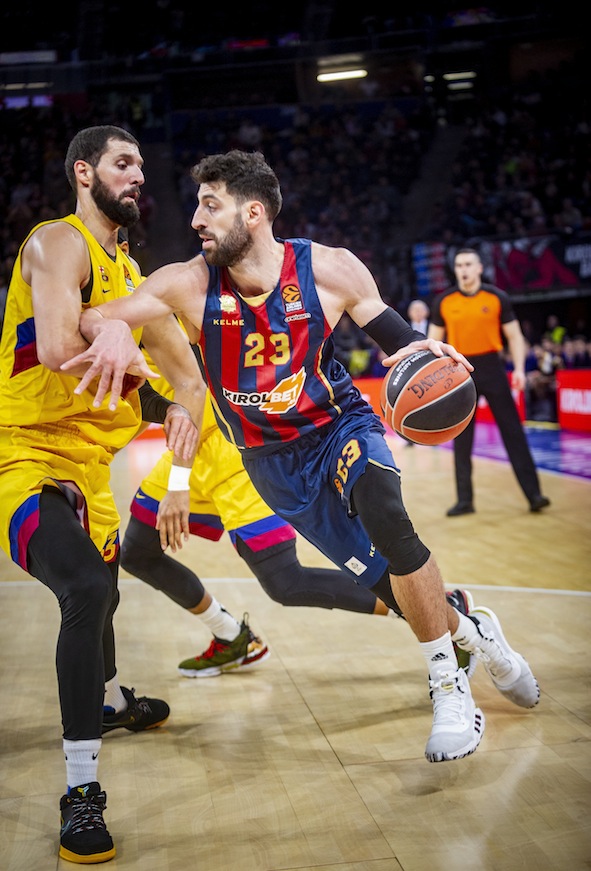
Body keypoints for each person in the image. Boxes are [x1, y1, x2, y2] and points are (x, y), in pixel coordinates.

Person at [66, 149, 540, 770]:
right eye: (197, 206)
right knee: (386, 588)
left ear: (254, 212)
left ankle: (450, 689)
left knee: (386, 513)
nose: (195, 221)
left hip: (339, 424)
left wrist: (428, 354)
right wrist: (109, 330)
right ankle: (478, 636)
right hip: (273, 464)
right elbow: (93, 316)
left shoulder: (330, 269)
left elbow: (396, 338)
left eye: (211, 206)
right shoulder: (186, 282)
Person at [0, 125, 202, 865]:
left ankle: (110, 701)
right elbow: (55, 348)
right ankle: (80, 792)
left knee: (107, 591)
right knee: (85, 587)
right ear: (84, 172)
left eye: (144, 164)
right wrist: (104, 329)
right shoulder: (57, 243)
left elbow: (190, 384)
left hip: (93, 471)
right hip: (20, 458)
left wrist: (179, 437)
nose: (139, 174)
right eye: (124, 162)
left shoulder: (137, 280)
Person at [121, 382, 477, 677]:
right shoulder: (114, 313)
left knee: (286, 583)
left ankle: (440, 612)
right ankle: (231, 636)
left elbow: (192, 385)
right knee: (137, 552)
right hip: (185, 450)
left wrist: (178, 483)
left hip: (233, 453)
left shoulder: (160, 308)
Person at [428, 248, 550, 516]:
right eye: (459, 265)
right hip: (459, 370)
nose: (464, 269)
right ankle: (465, 500)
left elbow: (515, 337)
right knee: (462, 437)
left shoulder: (497, 297)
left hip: (492, 367)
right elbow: (433, 343)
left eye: (469, 264)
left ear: (480, 268)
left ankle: (534, 495)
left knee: (513, 432)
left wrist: (518, 368)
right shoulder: (444, 301)